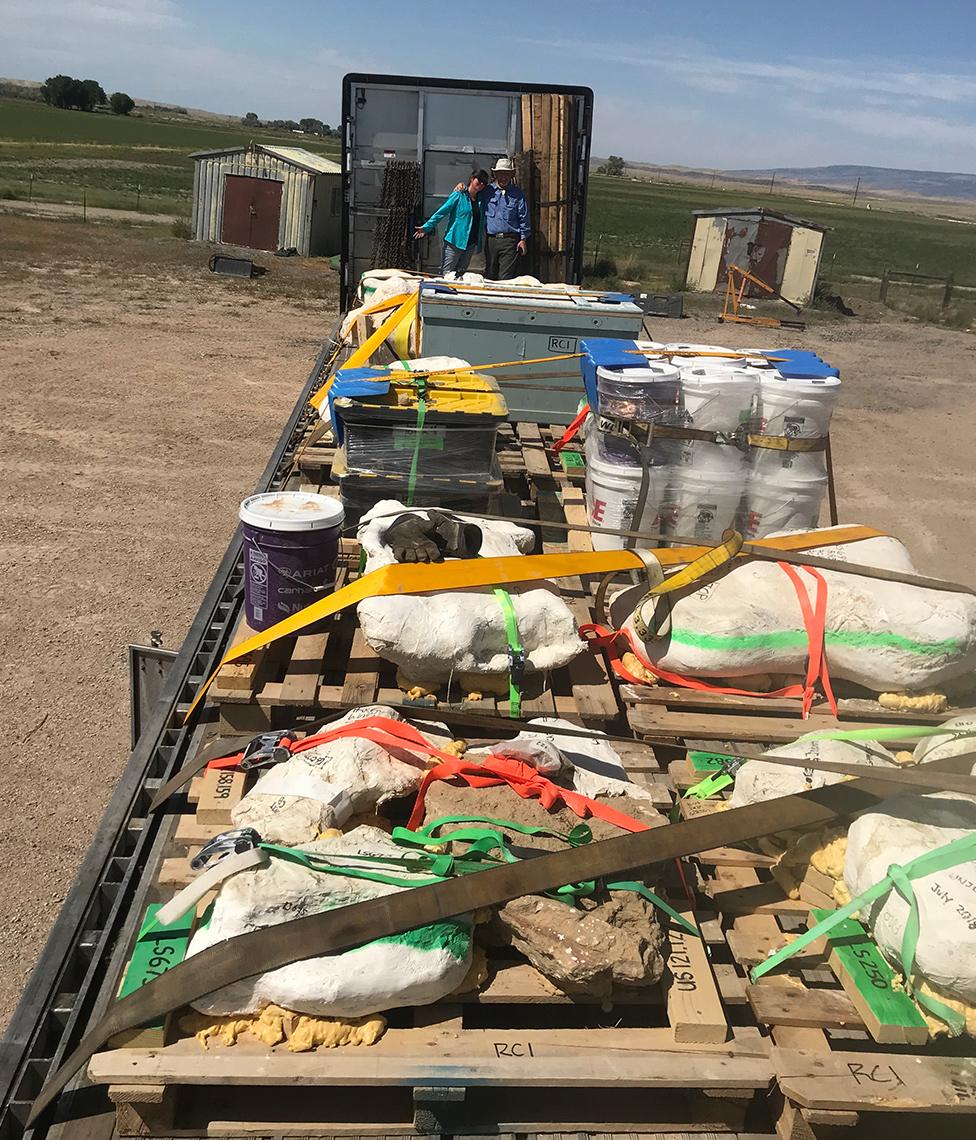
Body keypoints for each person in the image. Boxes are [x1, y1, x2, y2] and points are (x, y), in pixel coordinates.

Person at [413, 169, 490, 276]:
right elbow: (441, 212)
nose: (481, 184)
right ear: (472, 179)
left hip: (470, 245)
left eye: (484, 183)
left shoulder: (481, 200)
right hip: (454, 242)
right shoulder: (459, 195)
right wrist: (427, 227)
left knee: (461, 276)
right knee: (447, 275)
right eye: (479, 180)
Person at [483, 157, 531, 280]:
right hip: (491, 241)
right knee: (489, 274)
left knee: (505, 277)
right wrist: (462, 188)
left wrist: (523, 239)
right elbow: (472, 197)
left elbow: (523, 217)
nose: (503, 177)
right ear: (495, 174)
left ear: (511, 175)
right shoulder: (487, 191)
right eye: (500, 174)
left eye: (506, 174)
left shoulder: (518, 194)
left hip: (510, 241)